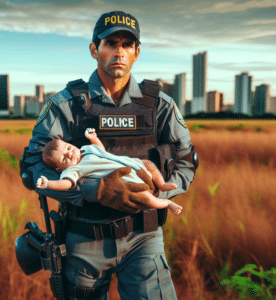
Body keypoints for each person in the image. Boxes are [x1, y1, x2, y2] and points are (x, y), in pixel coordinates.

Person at [20, 10, 198, 300]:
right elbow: (32, 165)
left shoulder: (159, 105)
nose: (119, 51)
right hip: (84, 239)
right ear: (94, 49)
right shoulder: (66, 105)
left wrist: (154, 192)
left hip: (145, 237)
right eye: (110, 43)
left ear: (137, 52)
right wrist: (93, 190)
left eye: (127, 45)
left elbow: (187, 161)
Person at [36, 128, 183, 216]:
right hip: (125, 181)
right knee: (147, 199)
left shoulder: (86, 149)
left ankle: (162, 185)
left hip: (132, 164)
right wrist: (49, 183)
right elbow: (66, 184)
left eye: (68, 148)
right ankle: (168, 203)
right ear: (60, 169)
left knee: (148, 163)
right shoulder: (74, 170)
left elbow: (101, 150)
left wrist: (94, 138)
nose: (69, 154)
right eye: (63, 159)